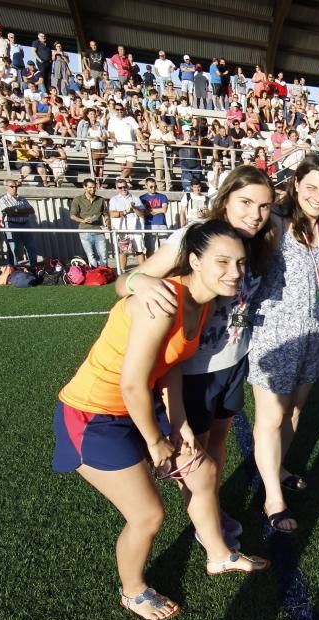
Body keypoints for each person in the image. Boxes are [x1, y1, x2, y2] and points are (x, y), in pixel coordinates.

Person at [53, 221, 269, 620]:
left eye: (240, 263)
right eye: (222, 261)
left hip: (137, 405)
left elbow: (171, 365)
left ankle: (219, 555)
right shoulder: (164, 301)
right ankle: (132, 591)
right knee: (148, 515)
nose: (234, 272)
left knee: (201, 471)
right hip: (93, 413)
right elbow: (132, 383)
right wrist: (156, 440)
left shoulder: (201, 302)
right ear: (194, 260)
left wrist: (179, 424)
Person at [116, 166, 277, 549]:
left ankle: (211, 507)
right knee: (195, 454)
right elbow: (126, 282)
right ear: (225, 199)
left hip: (234, 360)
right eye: (246, 202)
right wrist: (140, 282)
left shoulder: (256, 242)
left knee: (218, 444)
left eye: (265, 206)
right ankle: (206, 530)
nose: (255, 214)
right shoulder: (194, 237)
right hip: (193, 371)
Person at [247, 155, 319, 531]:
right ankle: (273, 499)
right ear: (296, 183)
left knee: (296, 411)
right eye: (312, 188)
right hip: (275, 334)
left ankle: (279, 467)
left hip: (313, 332)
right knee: (270, 418)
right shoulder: (273, 222)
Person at [0, 180, 38, 267]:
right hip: (11, 224)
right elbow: (9, 212)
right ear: (6, 187)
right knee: (13, 248)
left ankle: (33, 267)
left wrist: (16, 210)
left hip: (25, 224)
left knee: (31, 247)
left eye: (16, 186)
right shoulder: (2, 199)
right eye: (12, 186)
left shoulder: (22, 198)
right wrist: (23, 211)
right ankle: (14, 268)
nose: (15, 188)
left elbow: (31, 210)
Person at [109, 179, 146, 270]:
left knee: (139, 250)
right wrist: (125, 211)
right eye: (120, 187)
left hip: (135, 228)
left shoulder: (135, 198)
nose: (123, 189)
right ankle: (122, 271)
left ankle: (145, 271)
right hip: (122, 229)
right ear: (117, 188)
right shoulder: (114, 200)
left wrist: (134, 208)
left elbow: (142, 214)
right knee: (123, 251)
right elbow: (112, 214)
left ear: (128, 186)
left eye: (124, 187)